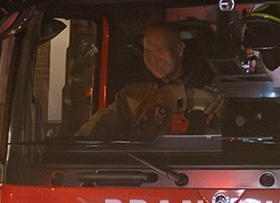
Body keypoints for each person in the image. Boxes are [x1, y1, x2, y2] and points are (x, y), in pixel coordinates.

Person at [76, 22, 217, 139]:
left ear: (179, 49)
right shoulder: (133, 94)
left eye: (159, 49)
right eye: (147, 51)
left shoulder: (211, 95)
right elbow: (94, 129)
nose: (153, 58)